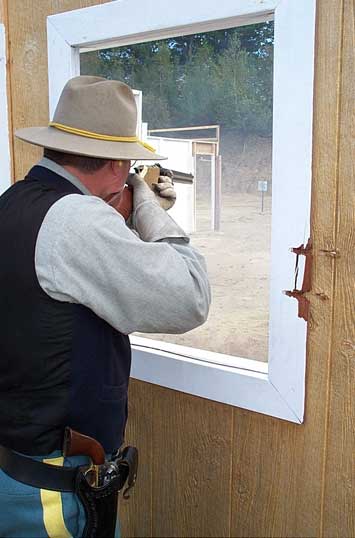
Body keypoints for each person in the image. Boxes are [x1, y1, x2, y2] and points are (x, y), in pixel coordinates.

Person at [0, 76, 210, 537]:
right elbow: (191, 295)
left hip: (17, 467)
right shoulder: (77, 218)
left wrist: (119, 209)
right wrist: (146, 208)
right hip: (55, 494)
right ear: (118, 165)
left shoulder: (14, 201)